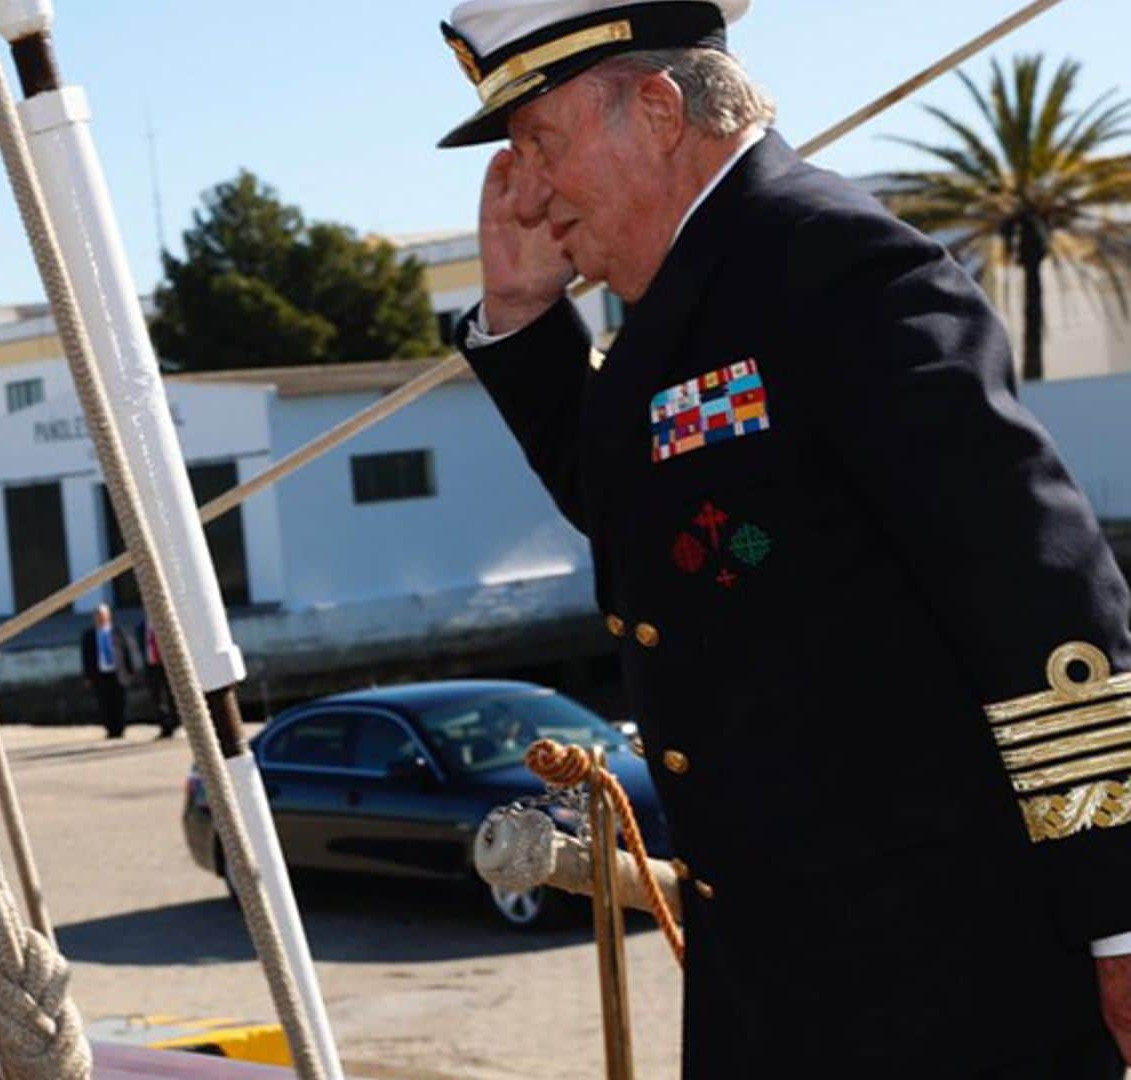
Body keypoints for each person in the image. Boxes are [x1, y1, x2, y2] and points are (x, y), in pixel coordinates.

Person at [436, 1, 1131, 1076]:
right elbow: (653, 518)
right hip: (775, 991)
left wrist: (1119, 916)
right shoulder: (693, 300)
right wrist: (526, 321)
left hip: (946, 993)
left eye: (538, 144)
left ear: (658, 110)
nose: (525, 192)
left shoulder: (840, 269)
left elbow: (1043, 603)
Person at [80, 602, 140, 738]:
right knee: (104, 703)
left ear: (108, 616)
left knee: (120, 702)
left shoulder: (118, 632)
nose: (100, 618)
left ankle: (120, 728)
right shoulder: (88, 636)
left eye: (103, 615)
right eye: (98, 616)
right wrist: (87, 676)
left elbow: (127, 652)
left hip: (118, 673)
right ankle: (110, 729)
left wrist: (131, 671)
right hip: (100, 674)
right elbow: (85, 657)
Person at [137, 617, 177, 738]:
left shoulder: (164, 622)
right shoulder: (141, 626)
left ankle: (175, 722)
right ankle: (165, 726)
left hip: (167, 664)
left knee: (172, 694)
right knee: (157, 697)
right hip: (152, 665)